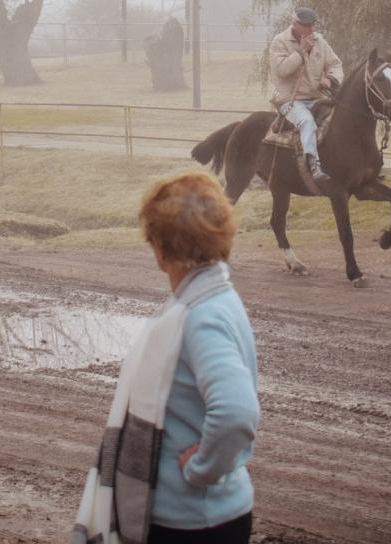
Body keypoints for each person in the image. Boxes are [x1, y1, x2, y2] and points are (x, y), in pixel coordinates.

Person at [74, 172, 259, 544]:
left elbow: (237, 412)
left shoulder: (199, 318)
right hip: (208, 514)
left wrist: (201, 468)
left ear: (160, 251)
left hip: (191, 520)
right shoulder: (219, 298)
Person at [268, 6, 344, 184]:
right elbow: (281, 70)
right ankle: (313, 164)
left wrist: (330, 80)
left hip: (317, 98)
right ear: (295, 24)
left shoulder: (320, 41)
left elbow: (335, 64)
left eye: (313, 25)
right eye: (307, 26)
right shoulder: (279, 42)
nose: (311, 30)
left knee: (342, 118)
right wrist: (301, 52)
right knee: (307, 121)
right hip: (290, 99)